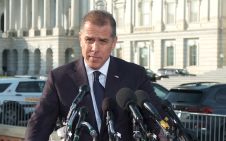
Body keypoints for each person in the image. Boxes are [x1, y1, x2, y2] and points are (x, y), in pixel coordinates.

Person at [25, 10, 168, 141]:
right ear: (80, 39)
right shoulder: (60, 78)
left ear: (113, 43)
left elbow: (156, 120)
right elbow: (38, 127)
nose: (95, 48)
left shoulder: (134, 75)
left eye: (103, 41)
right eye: (89, 40)